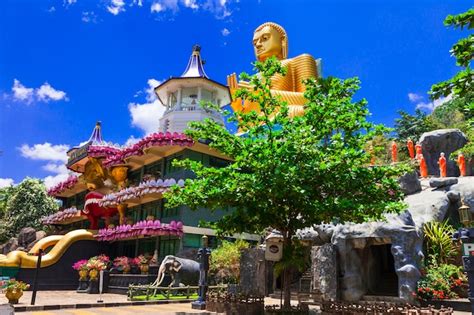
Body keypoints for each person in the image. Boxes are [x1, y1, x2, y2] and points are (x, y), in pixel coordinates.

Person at [227, 22, 321, 119]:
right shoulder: (254, 79)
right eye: (254, 43)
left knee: (297, 111)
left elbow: (311, 101)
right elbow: (247, 121)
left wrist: (265, 94)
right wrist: (237, 105)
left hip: (286, 118)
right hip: (260, 126)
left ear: (282, 40)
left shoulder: (299, 60)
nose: (258, 45)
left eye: (265, 38)